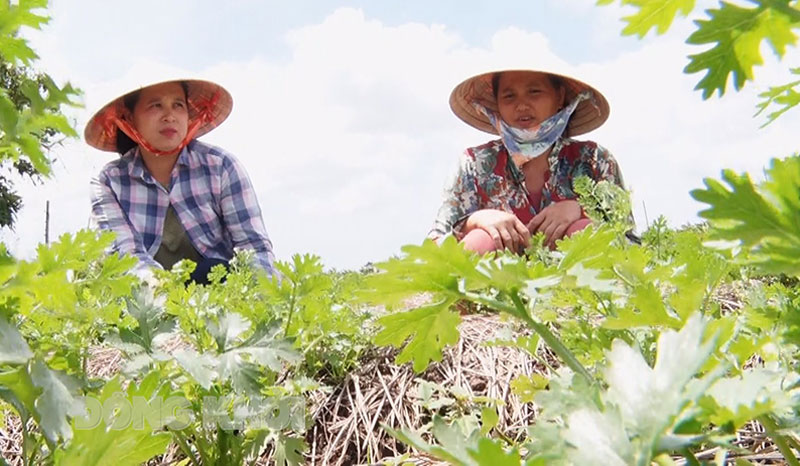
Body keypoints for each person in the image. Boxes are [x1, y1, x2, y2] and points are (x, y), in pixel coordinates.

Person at [85, 78, 276, 283]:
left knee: (211, 269)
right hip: (148, 295)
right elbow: (125, 256)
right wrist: (163, 294)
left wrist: (257, 291)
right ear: (130, 119)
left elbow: (254, 247)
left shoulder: (220, 166)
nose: (169, 116)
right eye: (156, 106)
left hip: (219, 291)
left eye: (178, 105)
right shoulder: (110, 181)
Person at [429, 68, 629, 254]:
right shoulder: (474, 164)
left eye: (534, 92)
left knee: (585, 232)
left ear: (559, 97)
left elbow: (628, 240)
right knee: (480, 240)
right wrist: (476, 220)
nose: (522, 105)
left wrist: (580, 210)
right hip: (499, 286)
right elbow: (435, 245)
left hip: (570, 287)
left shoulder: (594, 160)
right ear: (497, 103)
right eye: (509, 96)